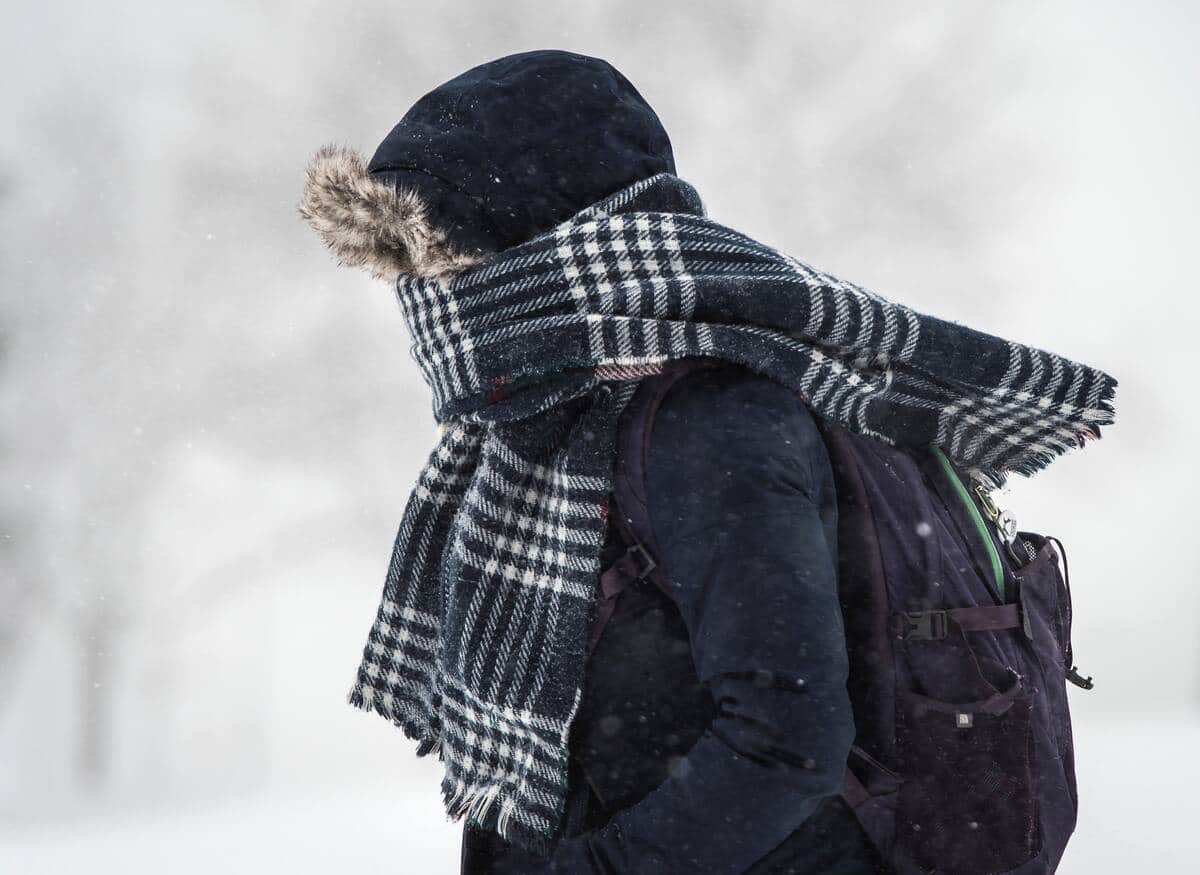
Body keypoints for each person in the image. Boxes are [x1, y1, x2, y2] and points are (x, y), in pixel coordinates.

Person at [301, 50, 1115, 874]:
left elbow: (785, 746)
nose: (432, 309)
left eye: (448, 269)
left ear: (545, 252)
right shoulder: (559, 424)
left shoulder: (710, 422)